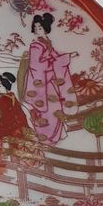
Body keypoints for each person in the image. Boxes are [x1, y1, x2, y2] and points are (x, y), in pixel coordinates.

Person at [21, 13, 79, 145]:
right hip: (40, 83)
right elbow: (35, 65)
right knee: (45, 111)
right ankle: (44, 138)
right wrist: (50, 61)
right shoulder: (35, 45)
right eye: (36, 28)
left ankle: (55, 136)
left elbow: (56, 58)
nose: (37, 30)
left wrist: (68, 56)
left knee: (56, 108)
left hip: (50, 82)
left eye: (40, 27)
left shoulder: (47, 43)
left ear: (45, 28)